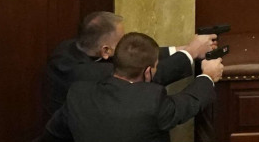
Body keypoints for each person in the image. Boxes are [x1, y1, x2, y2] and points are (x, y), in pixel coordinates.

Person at [33, 32, 223, 142]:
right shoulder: (153, 100)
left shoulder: (78, 95)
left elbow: (50, 140)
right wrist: (208, 75)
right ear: (148, 72)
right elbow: (189, 102)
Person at [42, 11, 218, 120]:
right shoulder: (90, 74)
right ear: (105, 51)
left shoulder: (69, 48)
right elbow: (146, 71)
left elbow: (132, 57)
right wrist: (191, 53)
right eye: (122, 41)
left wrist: (182, 48)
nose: (127, 45)